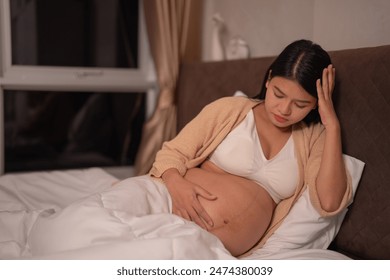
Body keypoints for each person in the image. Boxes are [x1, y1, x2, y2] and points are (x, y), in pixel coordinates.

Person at [149, 39, 353, 257]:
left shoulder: (314, 137)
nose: (284, 109)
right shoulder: (230, 110)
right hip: (169, 211)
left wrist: (332, 125)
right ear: (268, 80)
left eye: (300, 104)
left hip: (213, 250)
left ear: (316, 103)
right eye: (279, 94)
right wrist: (177, 184)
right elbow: (172, 154)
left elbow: (329, 202)